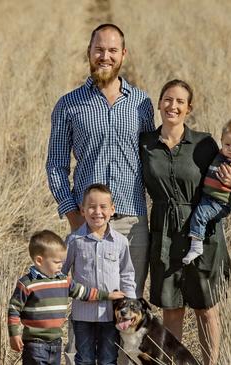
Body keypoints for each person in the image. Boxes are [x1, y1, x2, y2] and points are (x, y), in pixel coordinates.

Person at [46, 23, 153, 365]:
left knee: (127, 312)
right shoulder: (69, 105)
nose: (104, 56)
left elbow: (154, 157)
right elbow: (55, 165)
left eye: (112, 50)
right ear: (88, 52)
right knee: (84, 311)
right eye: (98, 49)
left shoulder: (142, 104)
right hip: (86, 225)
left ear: (124, 55)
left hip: (132, 222)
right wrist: (73, 215)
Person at [139, 80, 231, 365]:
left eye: (180, 102)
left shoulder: (205, 144)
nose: (173, 106)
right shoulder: (145, 144)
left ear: (189, 109)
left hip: (202, 235)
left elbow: (223, 191)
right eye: (168, 99)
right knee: (172, 309)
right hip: (164, 234)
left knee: (206, 309)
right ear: (159, 104)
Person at [8, 230, 126, 365]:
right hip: (35, 344)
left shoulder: (64, 281)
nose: (61, 265)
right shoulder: (27, 283)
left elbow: (84, 292)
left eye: (62, 262)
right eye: (57, 262)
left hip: (56, 342)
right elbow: (14, 309)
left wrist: (108, 295)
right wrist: (14, 334)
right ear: (39, 260)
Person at [62, 183, 137, 365]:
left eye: (103, 207)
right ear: (82, 210)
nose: (97, 212)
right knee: (84, 359)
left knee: (108, 359)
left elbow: (127, 275)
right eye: (91, 207)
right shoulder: (74, 241)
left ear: (112, 210)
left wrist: (131, 305)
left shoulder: (120, 242)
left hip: (110, 315)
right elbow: (60, 274)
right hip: (82, 315)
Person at [183, 118, 231, 265]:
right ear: (221, 141)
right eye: (227, 144)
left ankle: (196, 246)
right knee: (199, 215)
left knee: (200, 215)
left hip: (221, 201)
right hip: (208, 197)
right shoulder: (219, 155)